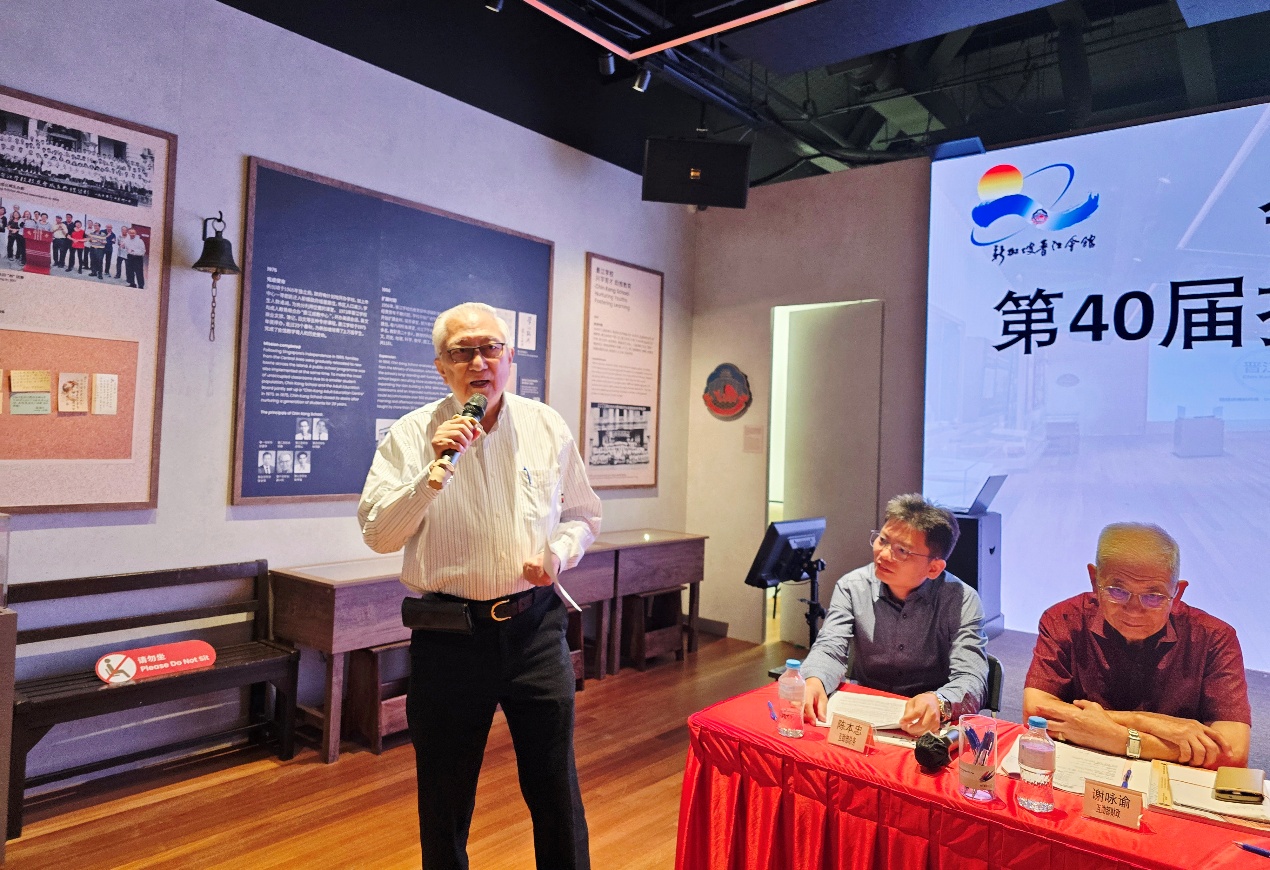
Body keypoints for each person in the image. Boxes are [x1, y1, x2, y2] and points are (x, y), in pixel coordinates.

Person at [359, 301, 600, 870]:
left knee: (555, 787)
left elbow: (583, 514)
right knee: (444, 799)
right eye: (462, 351)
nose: (479, 361)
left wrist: (558, 553)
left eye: (491, 348)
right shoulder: (411, 435)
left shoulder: (546, 425)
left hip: (535, 629)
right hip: (450, 637)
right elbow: (378, 535)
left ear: (509, 358)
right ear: (442, 367)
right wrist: (430, 474)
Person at [1023, 522, 1250, 769]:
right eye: (1117, 591)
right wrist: (1151, 723)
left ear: (1177, 593)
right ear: (1094, 580)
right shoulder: (1064, 620)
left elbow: (1234, 750)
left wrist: (1117, 738)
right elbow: (1035, 713)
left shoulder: (1214, 638)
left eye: (1153, 596)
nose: (1134, 610)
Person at [801, 493, 989, 735]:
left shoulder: (962, 600)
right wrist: (815, 679)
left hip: (927, 723)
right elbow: (830, 647)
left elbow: (972, 677)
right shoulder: (852, 586)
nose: (883, 555)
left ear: (934, 568)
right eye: (882, 540)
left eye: (901, 550)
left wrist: (940, 701)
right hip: (865, 712)